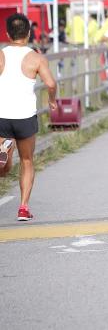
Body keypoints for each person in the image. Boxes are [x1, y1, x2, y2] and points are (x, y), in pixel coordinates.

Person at [0, 14, 57, 221]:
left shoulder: (1, 55)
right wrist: (52, 100)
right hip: (24, 117)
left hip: (2, 116)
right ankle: (23, 208)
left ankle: (4, 150)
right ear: (29, 33)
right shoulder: (36, 58)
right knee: (27, 161)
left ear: (7, 34)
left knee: (4, 168)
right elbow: (50, 84)